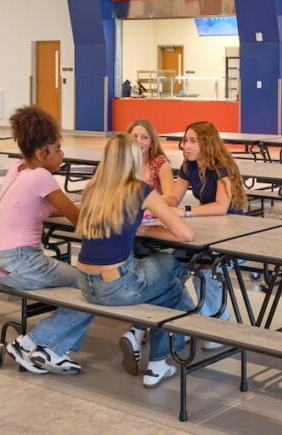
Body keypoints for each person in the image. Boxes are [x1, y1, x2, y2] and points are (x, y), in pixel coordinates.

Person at [76, 134, 195, 387]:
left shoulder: (92, 188)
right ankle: (158, 362)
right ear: (132, 158)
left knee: (161, 285)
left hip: (86, 284)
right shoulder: (140, 190)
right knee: (171, 277)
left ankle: (140, 335)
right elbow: (185, 234)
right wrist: (146, 230)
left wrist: (136, 229)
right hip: (118, 285)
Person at [0, 105, 93, 376]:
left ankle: (48, 348)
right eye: (57, 149)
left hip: (0, 263)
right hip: (22, 262)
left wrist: (80, 206)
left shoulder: (18, 170)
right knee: (94, 288)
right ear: (40, 154)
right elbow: (79, 220)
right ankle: (34, 344)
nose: (62, 154)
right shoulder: (41, 176)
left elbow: (52, 208)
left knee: (81, 284)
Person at [165, 121, 247, 338]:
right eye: (185, 141)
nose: (186, 146)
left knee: (205, 272)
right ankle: (191, 317)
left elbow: (222, 207)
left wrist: (187, 212)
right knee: (170, 268)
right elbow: (173, 198)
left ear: (207, 143)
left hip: (235, 235)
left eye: (193, 141)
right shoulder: (188, 166)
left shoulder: (222, 167)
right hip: (207, 230)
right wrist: (149, 201)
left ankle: (220, 326)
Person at [127, 118, 174, 196]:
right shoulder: (121, 161)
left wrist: (144, 203)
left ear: (152, 142)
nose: (138, 141)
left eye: (144, 137)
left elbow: (170, 199)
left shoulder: (160, 163)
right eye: (134, 136)